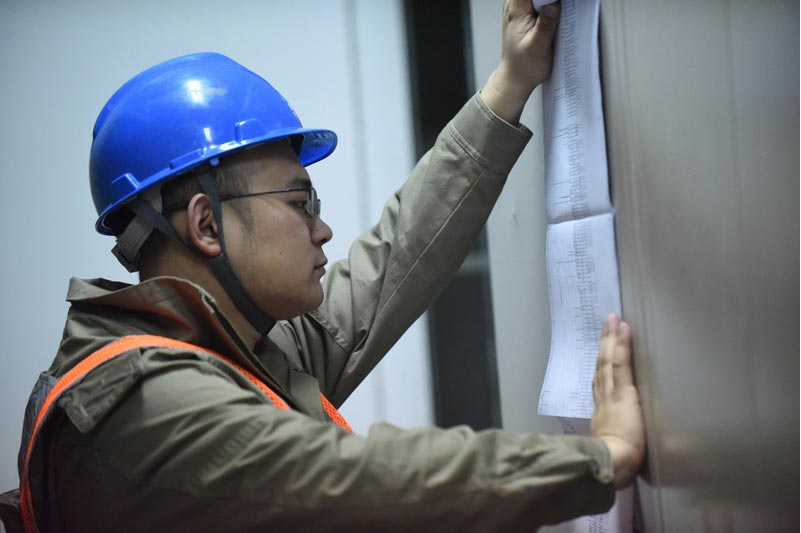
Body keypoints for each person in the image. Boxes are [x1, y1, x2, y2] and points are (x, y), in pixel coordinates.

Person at [1, 1, 645, 531]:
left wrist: (510, 83)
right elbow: (368, 481)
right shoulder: (149, 407)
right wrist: (601, 459)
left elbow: (396, 257)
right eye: (298, 202)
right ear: (206, 224)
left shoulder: (232, 349)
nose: (322, 228)